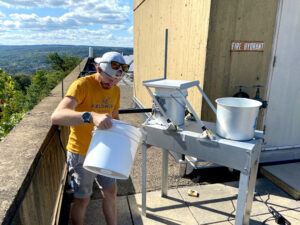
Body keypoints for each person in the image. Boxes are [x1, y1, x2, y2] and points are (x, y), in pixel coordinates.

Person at [51, 51, 129, 225]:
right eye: (109, 78)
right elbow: (56, 116)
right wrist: (91, 116)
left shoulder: (116, 90)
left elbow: (114, 118)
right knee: (83, 199)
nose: (112, 83)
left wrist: (123, 137)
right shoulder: (81, 85)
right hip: (81, 152)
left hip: (105, 151)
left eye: (117, 80)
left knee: (110, 192)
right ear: (98, 69)